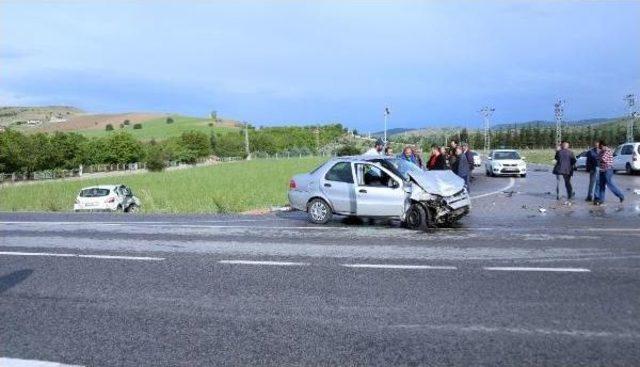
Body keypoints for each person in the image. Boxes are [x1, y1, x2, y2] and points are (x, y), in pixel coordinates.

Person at [594, 140, 624, 205]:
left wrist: (599, 158)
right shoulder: (602, 151)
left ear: (602, 145)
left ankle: (621, 195)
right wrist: (599, 158)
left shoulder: (608, 151)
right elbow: (597, 158)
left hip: (608, 170)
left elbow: (603, 159)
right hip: (602, 170)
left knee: (609, 184)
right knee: (601, 185)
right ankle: (601, 200)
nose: (599, 148)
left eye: (600, 147)